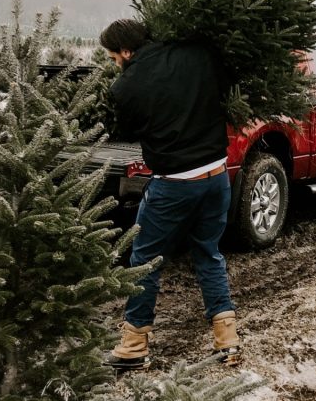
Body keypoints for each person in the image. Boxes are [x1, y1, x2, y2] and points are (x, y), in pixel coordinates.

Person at [99, 19, 241, 371]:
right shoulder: (197, 52)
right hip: (217, 175)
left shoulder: (126, 87)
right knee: (208, 253)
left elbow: (128, 130)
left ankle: (133, 347)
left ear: (127, 51)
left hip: (174, 183)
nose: (116, 63)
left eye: (115, 56)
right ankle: (228, 342)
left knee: (145, 260)